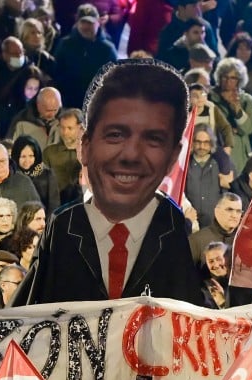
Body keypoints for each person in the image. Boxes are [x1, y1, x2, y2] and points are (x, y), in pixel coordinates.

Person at [15, 59, 203, 308]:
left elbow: (190, 317)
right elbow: (25, 317)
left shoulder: (171, 223)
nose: (130, 156)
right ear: (85, 146)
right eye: (115, 135)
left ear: (172, 156)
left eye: (153, 139)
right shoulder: (63, 228)